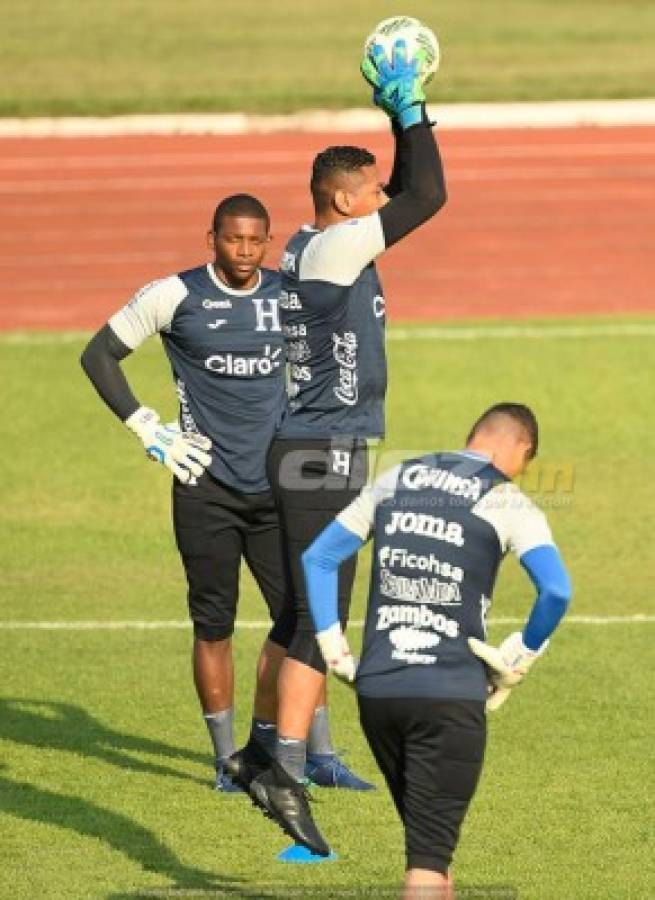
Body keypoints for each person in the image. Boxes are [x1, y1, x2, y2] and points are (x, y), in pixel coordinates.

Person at [226, 40, 447, 853]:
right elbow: (428, 191)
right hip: (324, 452)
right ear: (346, 203)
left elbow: (392, 186)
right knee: (320, 624)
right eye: (371, 193)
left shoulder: (307, 241)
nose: (384, 199)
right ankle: (281, 773)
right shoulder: (341, 247)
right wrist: (407, 108)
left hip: (304, 446)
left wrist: (390, 122)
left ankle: (261, 751)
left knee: (294, 614)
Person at [80, 194, 369, 794]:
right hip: (204, 488)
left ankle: (317, 754)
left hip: (280, 491)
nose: (244, 250)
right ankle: (225, 762)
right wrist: (149, 431)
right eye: (233, 239)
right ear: (210, 237)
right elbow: (99, 355)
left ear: (268, 242)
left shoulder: (286, 295)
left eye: (255, 240)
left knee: (308, 619)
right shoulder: (173, 295)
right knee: (213, 624)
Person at [303, 403, 573, 895]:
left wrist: (334, 649)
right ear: (522, 449)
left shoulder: (397, 477)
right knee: (426, 866)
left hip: (378, 693)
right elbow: (556, 592)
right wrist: (522, 655)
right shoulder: (509, 500)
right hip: (448, 697)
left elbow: (319, 556)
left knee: (432, 853)